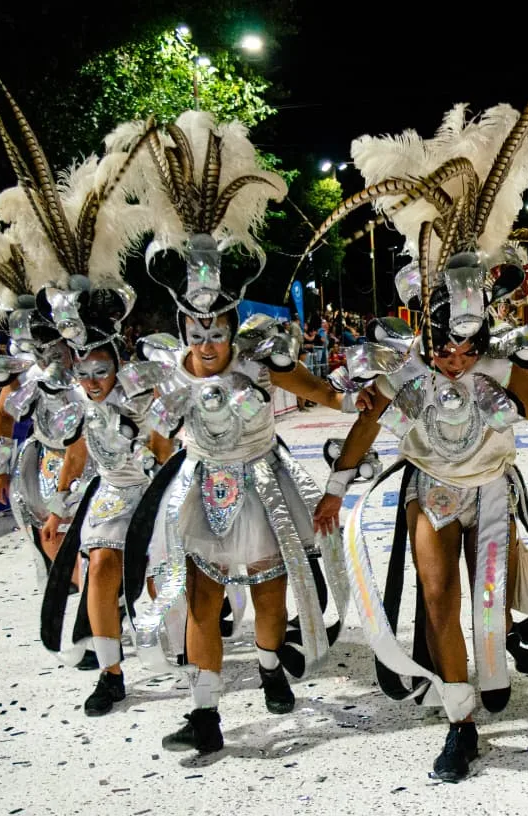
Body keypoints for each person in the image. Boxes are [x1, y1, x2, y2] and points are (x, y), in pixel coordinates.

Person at [310, 10, 528, 779]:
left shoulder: (508, 371)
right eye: (445, 343)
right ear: (426, 325)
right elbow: (367, 425)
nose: (457, 357)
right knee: (439, 601)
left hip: (494, 493)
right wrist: (336, 488)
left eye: (470, 343)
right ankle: (460, 721)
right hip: (431, 491)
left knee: (488, 603)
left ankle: (486, 673)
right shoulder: (406, 370)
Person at [114, 110, 346, 756]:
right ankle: (206, 714)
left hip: (263, 487)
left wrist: (354, 396)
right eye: (198, 330)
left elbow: (318, 390)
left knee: (270, 596)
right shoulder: (170, 372)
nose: (208, 341)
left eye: (217, 329)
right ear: (183, 326)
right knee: (201, 599)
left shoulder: (258, 357)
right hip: (202, 490)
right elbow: (155, 434)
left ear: (231, 322)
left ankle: (270, 667)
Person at [36, 282, 155, 717]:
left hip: (156, 491)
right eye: (83, 373)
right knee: (100, 568)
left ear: (117, 365)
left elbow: (171, 440)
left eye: (100, 371)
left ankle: (192, 652)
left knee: (164, 581)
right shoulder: (80, 401)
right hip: (111, 494)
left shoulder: (144, 393)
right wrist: (57, 507)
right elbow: (76, 452)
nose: (91, 382)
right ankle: (111, 674)